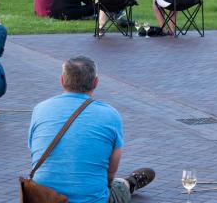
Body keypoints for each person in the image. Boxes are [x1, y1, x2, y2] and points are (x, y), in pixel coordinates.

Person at [28, 56, 155, 202]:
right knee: (117, 187)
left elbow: (34, 150)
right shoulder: (110, 114)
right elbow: (112, 166)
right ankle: (129, 183)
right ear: (96, 82)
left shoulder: (40, 109)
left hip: (43, 197)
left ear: (62, 80)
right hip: (91, 199)